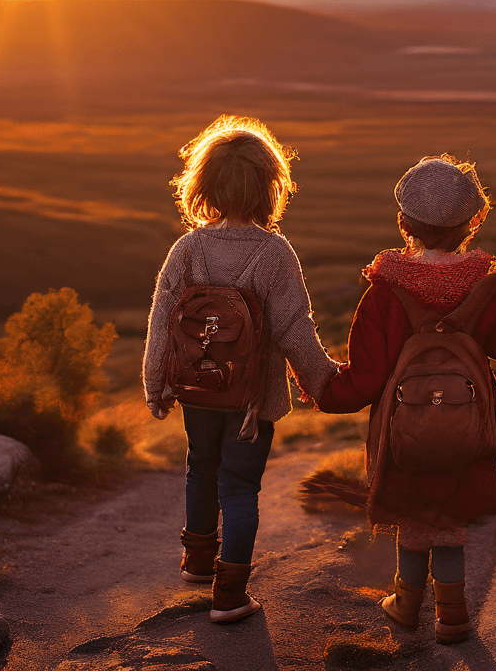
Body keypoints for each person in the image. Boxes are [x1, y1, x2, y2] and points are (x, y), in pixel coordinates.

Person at [318, 155, 496, 644]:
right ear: (474, 222)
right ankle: (453, 615)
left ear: (404, 222)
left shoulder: (383, 293)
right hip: (467, 431)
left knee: (413, 515)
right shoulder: (487, 286)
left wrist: (322, 388)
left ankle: (406, 604)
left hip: (402, 431)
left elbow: (365, 379)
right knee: (450, 518)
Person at [143, 115, 339, 623]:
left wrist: (155, 386)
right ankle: (229, 595)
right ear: (269, 187)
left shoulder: (187, 248)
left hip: (197, 391)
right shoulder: (275, 253)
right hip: (253, 401)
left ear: (203, 185)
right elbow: (296, 326)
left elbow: (162, 320)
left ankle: (198, 560)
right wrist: (324, 382)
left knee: (200, 467)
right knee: (240, 485)